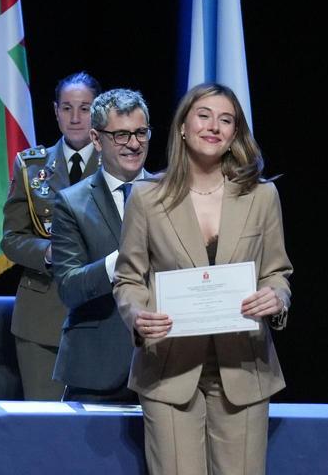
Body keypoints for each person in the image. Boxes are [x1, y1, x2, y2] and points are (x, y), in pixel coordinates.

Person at [114, 83, 291, 474]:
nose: (214, 127)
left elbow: (277, 272)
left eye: (226, 120)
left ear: (234, 133)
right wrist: (138, 316)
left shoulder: (262, 196)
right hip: (168, 369)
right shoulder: (146, 197)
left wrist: (276, 297)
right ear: (182, 126)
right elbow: (128, 279)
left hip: (244, 367)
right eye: (204, 116)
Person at [1, 71, 100, 400]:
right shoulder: (31, 166)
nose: (75, 117)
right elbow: (11, 239)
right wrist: (46, 252)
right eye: (67, 108)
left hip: (101, 312)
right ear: (56, 111)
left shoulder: (119, 165)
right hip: (42, 316)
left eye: (85, 108)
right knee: (46, 423)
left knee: (101, 426)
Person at [51, 88, 152, 402]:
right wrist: (121, 260)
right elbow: (69, 287)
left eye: (140, 133)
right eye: (121, 135)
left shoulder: (172, 195)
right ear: (96, 139)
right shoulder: (71, 203)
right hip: (96, 370)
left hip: (166, 366)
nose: (134, 144)